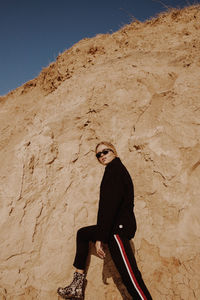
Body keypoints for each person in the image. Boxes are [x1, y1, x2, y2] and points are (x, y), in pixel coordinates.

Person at [57, 141, 153, 300]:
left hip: (118, 231)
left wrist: (100, 238)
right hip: (112, 228)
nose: (102, 156)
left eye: (105, 152)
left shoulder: (115, 170)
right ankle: (76, 286)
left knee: (131, 278)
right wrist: (101, 234)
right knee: (83, 234)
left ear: (114, 151)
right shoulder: (112, 170)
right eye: (98, 154)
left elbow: (110, 207)